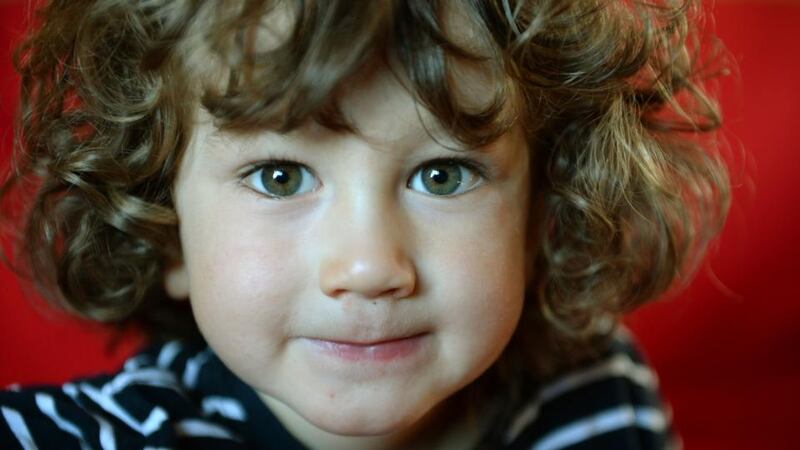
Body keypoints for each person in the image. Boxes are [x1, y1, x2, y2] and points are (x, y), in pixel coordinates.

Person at [0, 0, 730, 448]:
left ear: (543, 213)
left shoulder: (596, 395)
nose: (370, 265)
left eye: (442, 175)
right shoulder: (119, 436)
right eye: (280, 176)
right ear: (164, 226)